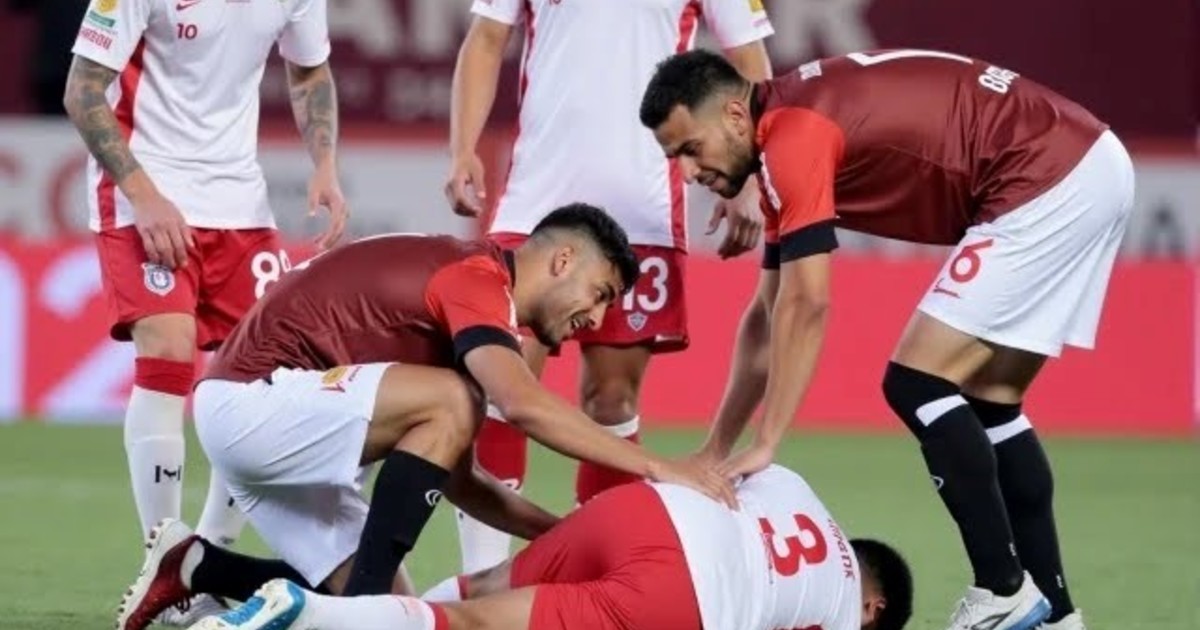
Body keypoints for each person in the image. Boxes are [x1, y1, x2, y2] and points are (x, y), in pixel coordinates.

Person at [638, 49, 1133, 630]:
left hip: (1045, 175)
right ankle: (1056, 616)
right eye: (674, 158)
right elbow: (767, 317)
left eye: (691, 149)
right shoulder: (782, 136)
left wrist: (767, 441)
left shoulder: (794, 139)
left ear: (733, 116)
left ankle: (1002, 591)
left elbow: (807, 303)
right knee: (992, 403)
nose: (689, 173)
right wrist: (717, 449)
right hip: (1085, 160)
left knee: (917, 382)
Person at [113, 204, 737, 630]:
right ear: (563, 260)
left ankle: (194, 565)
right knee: (457, 401)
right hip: (251, 403)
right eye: (600, 294)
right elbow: (520, 403)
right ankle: (351, 616)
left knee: (400, 615)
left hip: (277, 425)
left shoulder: (469, 318)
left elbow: (460, 481)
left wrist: (566, 538)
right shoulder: (476, 277)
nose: (595, 320)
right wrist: (660, 468)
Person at [444, 0, 776, 574]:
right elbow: (486, 39)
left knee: (612, 398)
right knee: (499, 387)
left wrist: (751, 174)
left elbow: (750, 63)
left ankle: (597, 572)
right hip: (535, 205)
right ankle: (481, 577)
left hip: (643, 213)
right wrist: (461, 148)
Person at [63, 0, 348, 621]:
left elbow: (309, 71)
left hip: (239, 200)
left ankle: (207, 563)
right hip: (145, 190)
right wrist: (145, 197)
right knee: (168, 350)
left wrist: (325, 164)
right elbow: (83, 89)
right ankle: (163, 555)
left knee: (264, 377)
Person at [187, 464, 914, 630]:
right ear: (874, 608)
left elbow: (732, 469)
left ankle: (343, 618)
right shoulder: (841, 614)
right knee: (474, 624)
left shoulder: (798, 490)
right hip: (684, 593)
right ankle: (308, 610)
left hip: (643, 510)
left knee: (480, 590)